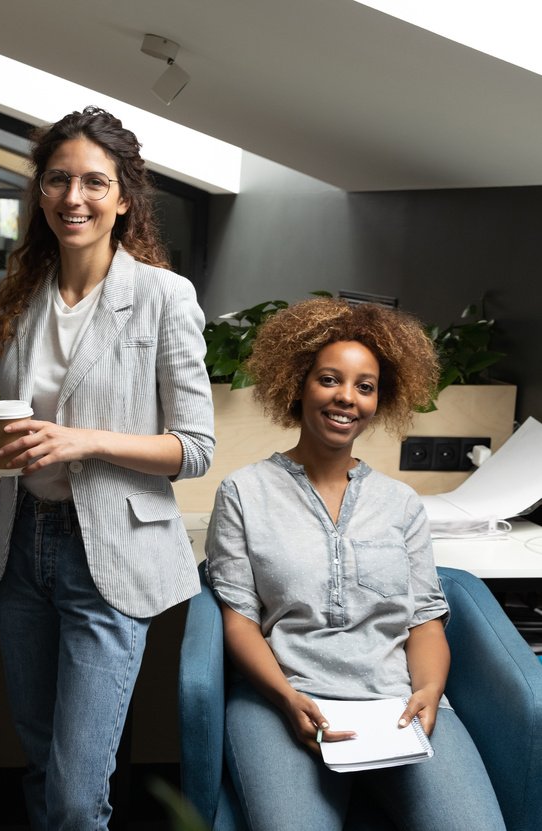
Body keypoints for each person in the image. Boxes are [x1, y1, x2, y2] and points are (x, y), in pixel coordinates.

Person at [0, 106, 215, 830]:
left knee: (79, 792)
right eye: (58, 180)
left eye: (93, 182)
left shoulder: (164, 297)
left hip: (107, 553)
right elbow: (24, 424)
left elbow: (194, 448)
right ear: (40, 193)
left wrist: (83, 441)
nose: (73, 197)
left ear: (124, 197)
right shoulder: (21, 298)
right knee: (43, 766)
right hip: (22, 550)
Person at [204, 297, 506, 830]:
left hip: (394, 706)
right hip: (284, 701)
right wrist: (284, 697)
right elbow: (239, 620)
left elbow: (424, 619)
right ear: (298, 384)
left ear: (379, 400)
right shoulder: (244, 493)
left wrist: (428, 693)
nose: (347, 398)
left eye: (365, 387)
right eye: (329, 379)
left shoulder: (401, 504)